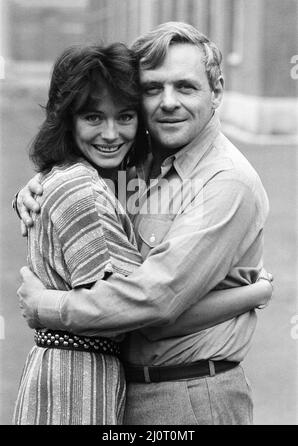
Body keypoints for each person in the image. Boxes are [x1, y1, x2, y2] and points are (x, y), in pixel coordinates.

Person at [16, 22, 272, 425]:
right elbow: (82, 187)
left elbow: (155, 300)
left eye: (185, 87)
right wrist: (40, 186)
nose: (168, 102)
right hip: (124, 392)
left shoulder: (225, 182)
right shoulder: (136, 163)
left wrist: (49, 307)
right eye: (153, 88)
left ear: (217, 91)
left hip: (189, 397)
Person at [13, 42, 147, 425]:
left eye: (125, 116)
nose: (111, 133)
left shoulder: (68, 178)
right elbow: (126, 306)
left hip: (64, 370)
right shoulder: (81, 189)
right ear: (67, 119)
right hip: (76, 384)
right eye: (93, 117)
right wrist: (249, 293)